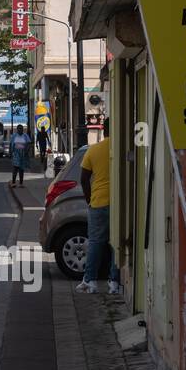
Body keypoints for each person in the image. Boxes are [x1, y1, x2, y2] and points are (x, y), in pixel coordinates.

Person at [79, 117, 120, 294]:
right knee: (116, 243)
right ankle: (114, 282)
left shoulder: (93, 151)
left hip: (98, 202)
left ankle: (90, 281)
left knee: (96, 242)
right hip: (119, 203)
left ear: (104, 130)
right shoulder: (122, 148)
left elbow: (84, 179)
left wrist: (89, 199)